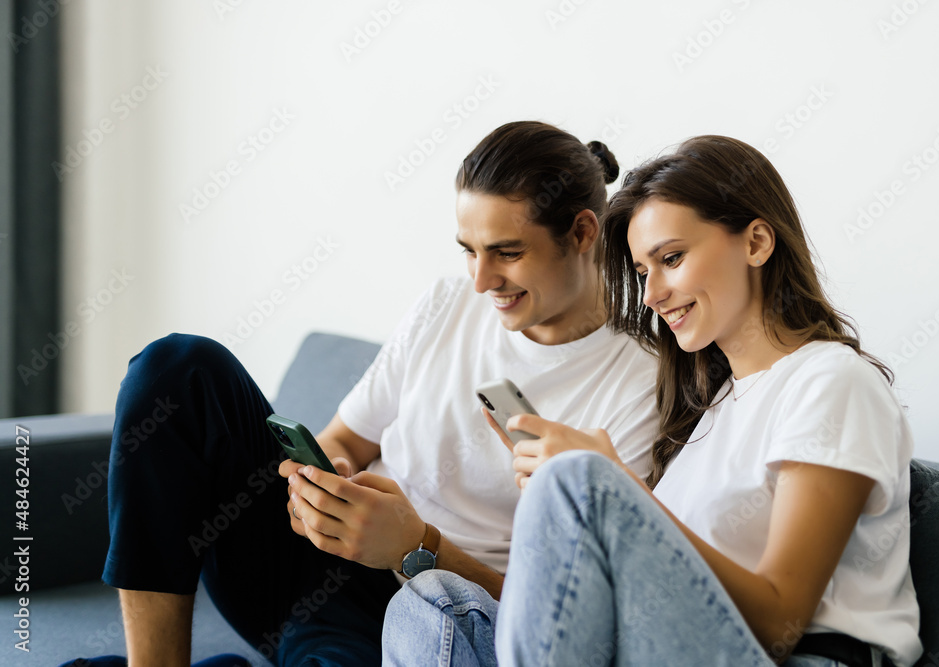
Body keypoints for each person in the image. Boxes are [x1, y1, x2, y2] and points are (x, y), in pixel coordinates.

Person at [63, 121, 660, 667]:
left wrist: (414, 546)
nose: (481, 281)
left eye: (507, 253)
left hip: (423, 620)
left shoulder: (640, 383)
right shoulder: (445, 305)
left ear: (582, 232)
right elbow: (345, 438)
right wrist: (324, 481)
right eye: (469, 252)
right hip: (316, 559)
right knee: (180, 367)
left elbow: (573, 619)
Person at [382, 135, 922, 667]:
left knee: (581, 480)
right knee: (432, 602)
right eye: (643, 272)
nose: (652, 294)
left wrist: (610, 488)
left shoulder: (831, 381)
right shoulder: (714, 407)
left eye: (672, 258)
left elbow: (780, 625)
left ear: (756, 243)